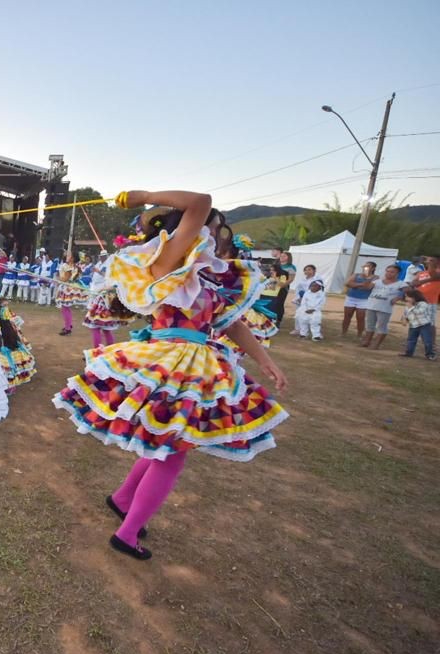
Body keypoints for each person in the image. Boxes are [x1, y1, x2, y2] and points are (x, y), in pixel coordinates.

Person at [54, 190, 288, 561]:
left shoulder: (205, 273)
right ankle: (127, 534)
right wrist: (140, 197)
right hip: (170, 359)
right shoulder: (167, 260)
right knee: (173, 452)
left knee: (166, 443)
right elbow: (201, 200)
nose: (217, 232)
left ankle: (122, 501)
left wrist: (265, 360)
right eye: (214, 225)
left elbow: (230, 323)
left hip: (195, 361)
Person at [362, 264, 406, 349]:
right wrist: (367, 279)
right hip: (372, 305)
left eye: (392, 272)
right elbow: (367, 288)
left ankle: (376, 344)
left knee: (381, 326)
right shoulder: (377, 281)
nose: (389, 273)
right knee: (369, 325)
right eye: (387, 271)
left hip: (385, 308)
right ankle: (367, 341)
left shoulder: (400, 283)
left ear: (398, 273)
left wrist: (398, 297)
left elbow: (407, 291)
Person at [342, 262, 377, 336]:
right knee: (347, 316)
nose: (365, 267)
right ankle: (343, 332)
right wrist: (361, 284)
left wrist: (355, 285)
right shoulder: (356, 275)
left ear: (373, 268)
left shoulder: (375, 277)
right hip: (351, 297)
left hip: (364, 299)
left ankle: (359, 334)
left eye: (368, 266)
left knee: (360, 317)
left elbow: (368, 287)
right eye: (365, 266)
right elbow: (347, 283)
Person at [399, 289, 435, 360]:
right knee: (411, 340)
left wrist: (411, 307)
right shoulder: (408, 305)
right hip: (413, 325)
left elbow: (419, 312)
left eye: (408, 297)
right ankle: (409, 353)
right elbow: (406, 314)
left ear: (414, 297)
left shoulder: (423, 304)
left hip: (424, 325)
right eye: (405, 297)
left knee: (427, 340)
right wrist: (404, 319)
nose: (406, 298)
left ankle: (430, 354)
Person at [55, 253, 86, 335]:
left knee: (65, 308)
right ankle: (68, 325)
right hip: (70, 287)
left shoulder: (68, 266)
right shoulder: (76, 267)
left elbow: (66, 278)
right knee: (65, 308)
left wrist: (58, 279)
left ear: (72, 258)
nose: (67, 257)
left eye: (70, 256)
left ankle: (68, 328)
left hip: (67, 288)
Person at [289, 264, 317, 335]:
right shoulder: (302, 280)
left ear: (314, 271)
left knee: (309, 316)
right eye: (306, 270)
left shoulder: (317, 280)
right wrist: (299, 298)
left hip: (311, 300)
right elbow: (298, 289)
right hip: (300, 299)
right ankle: (297, 329)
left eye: (310, 269)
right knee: (298, 315)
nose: (307, 271)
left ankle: (308, 331)